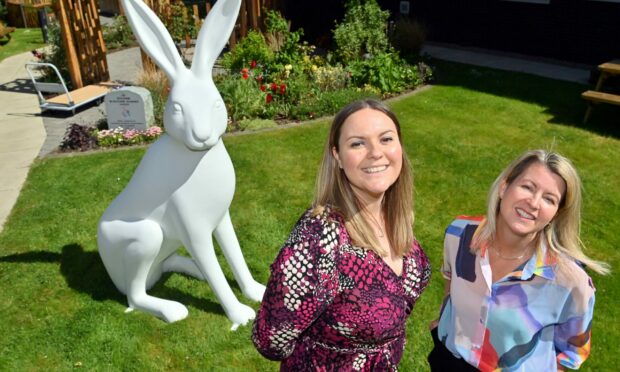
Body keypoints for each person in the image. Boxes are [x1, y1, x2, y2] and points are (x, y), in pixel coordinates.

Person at [252, 99, 431, 370]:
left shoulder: (396, 220)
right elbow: (271, 338)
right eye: (357, 143)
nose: (375, 153)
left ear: (400, 147)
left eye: (386, 139)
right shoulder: (320, 237)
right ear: (337, 156)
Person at [428, 149, 610, 372]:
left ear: (556, 213)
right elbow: (450, 282)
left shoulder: (571, 282)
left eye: (549, 199)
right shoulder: (460, 234)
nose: (533, 203)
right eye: (527, 187)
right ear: (504, 186)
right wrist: (443, 323)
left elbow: (571, 354)